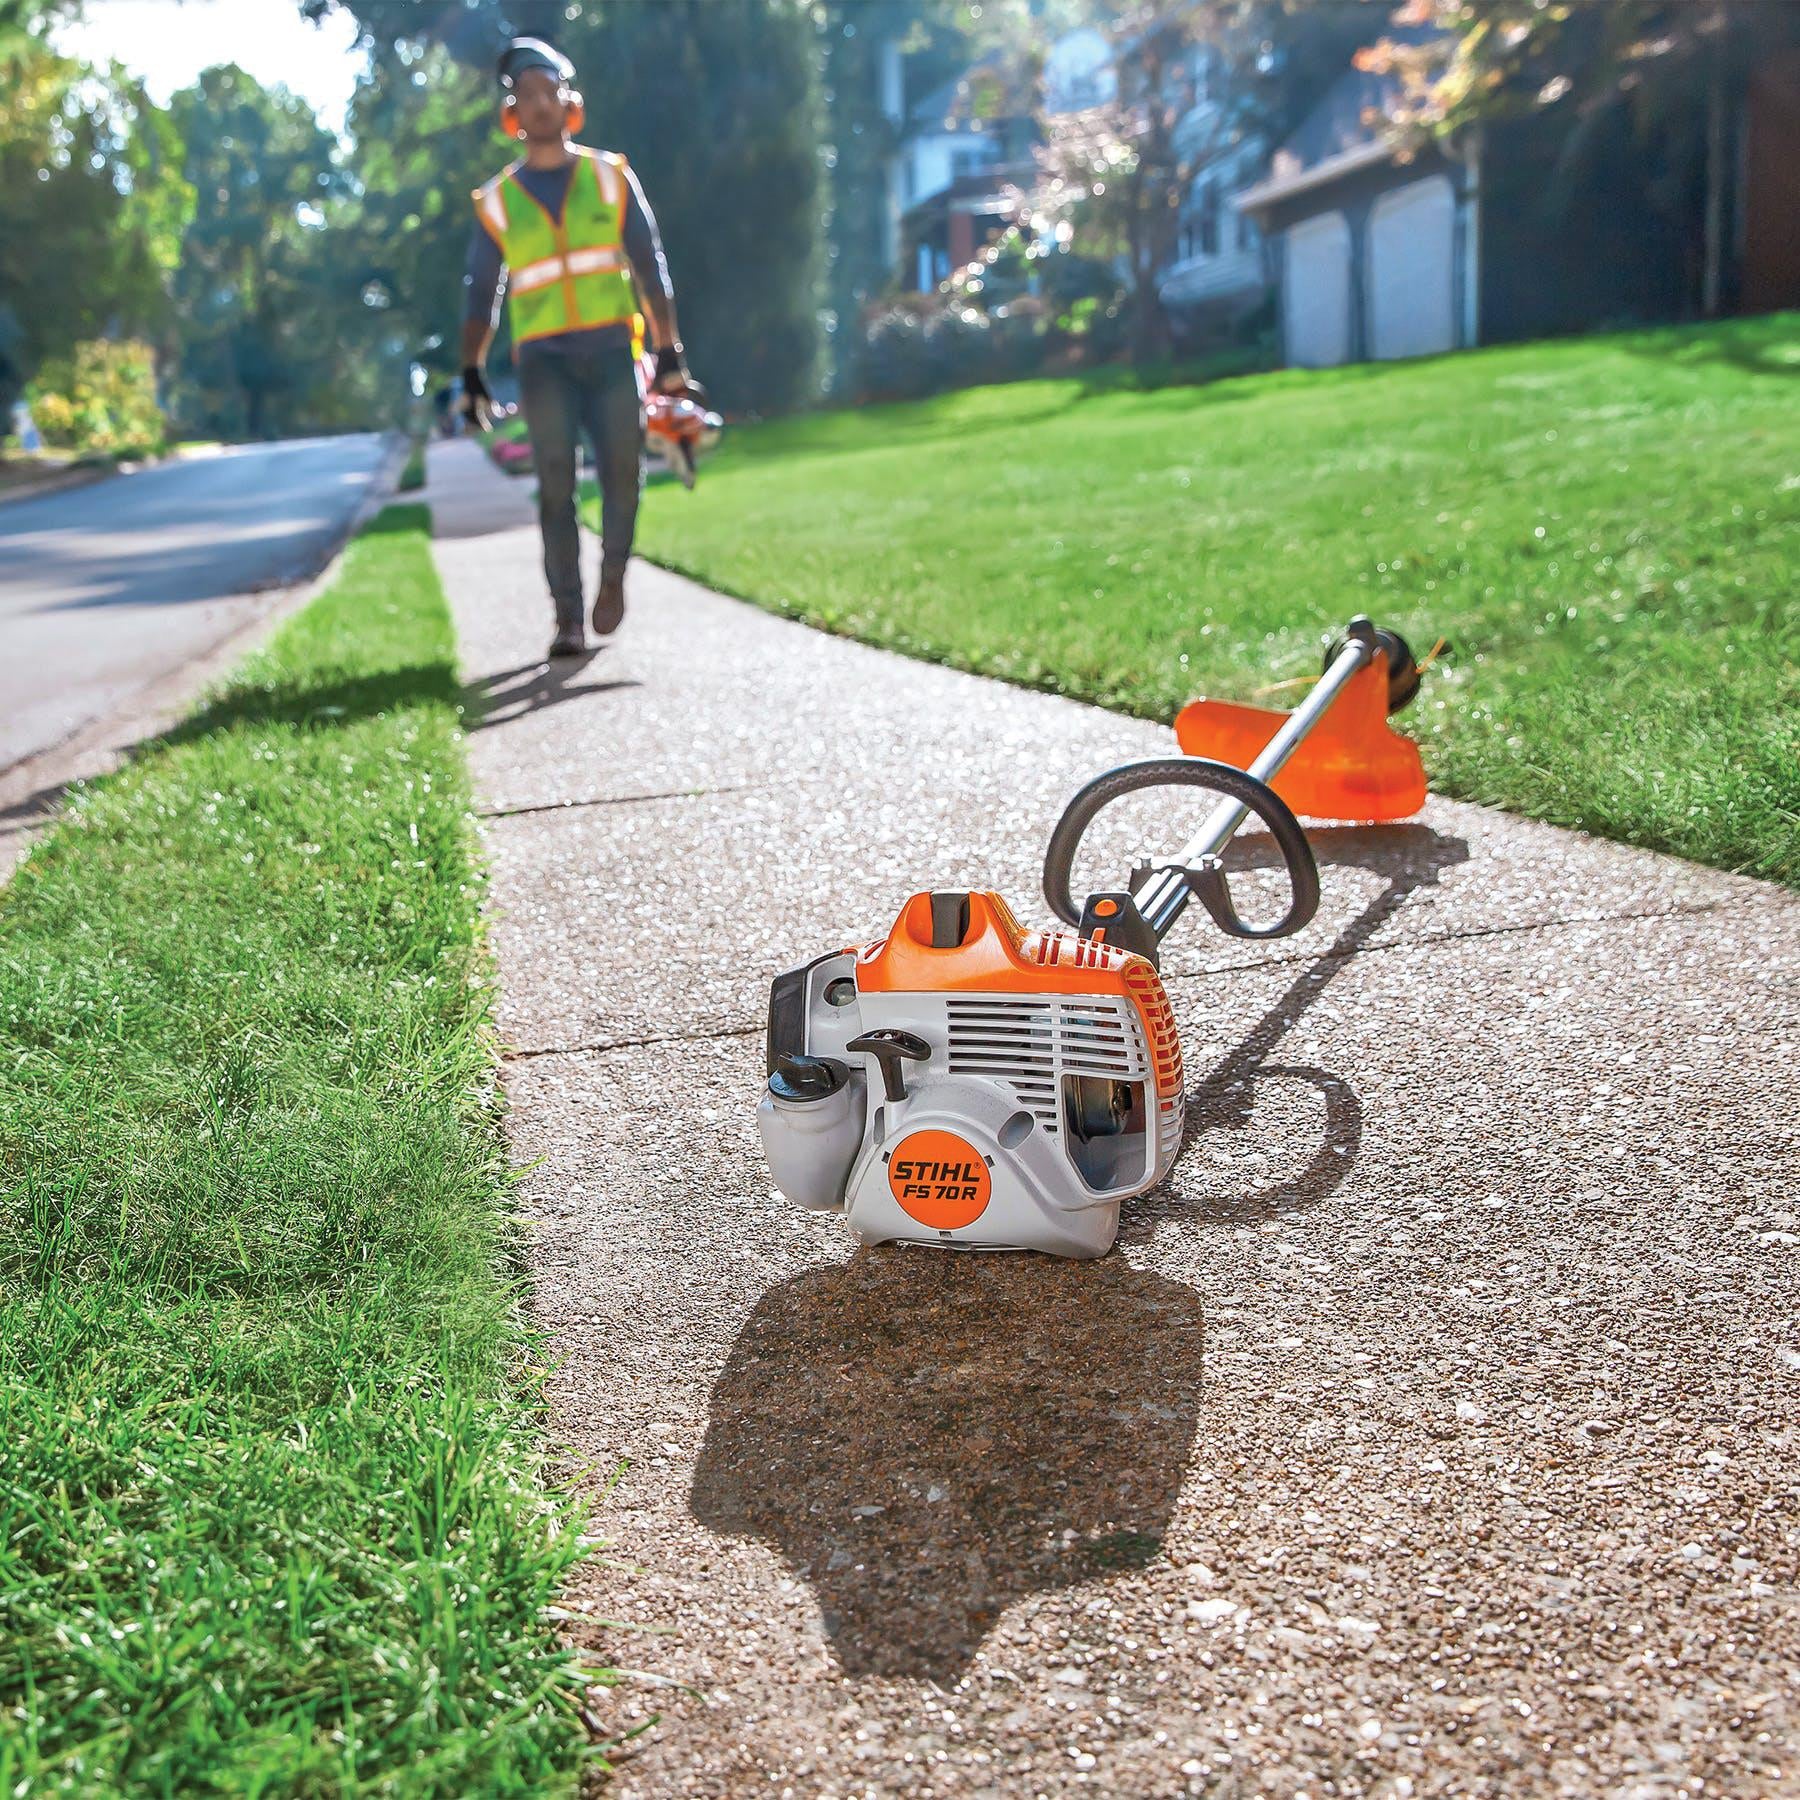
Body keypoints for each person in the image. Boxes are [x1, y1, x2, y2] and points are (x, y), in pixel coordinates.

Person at [461, 36, 697, 657]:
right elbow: (481, 293)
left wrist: (670, 357)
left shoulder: (610, 178)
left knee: (624, 472)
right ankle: (567, 617)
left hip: (614, 350)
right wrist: (471, 370)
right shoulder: (497, 203)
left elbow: (652, 268)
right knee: (555, 486)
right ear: (512, 117)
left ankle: (613, 573)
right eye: (526, 97)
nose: (539, 105)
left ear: (571, 105)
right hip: (544, 364)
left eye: (549, 93)